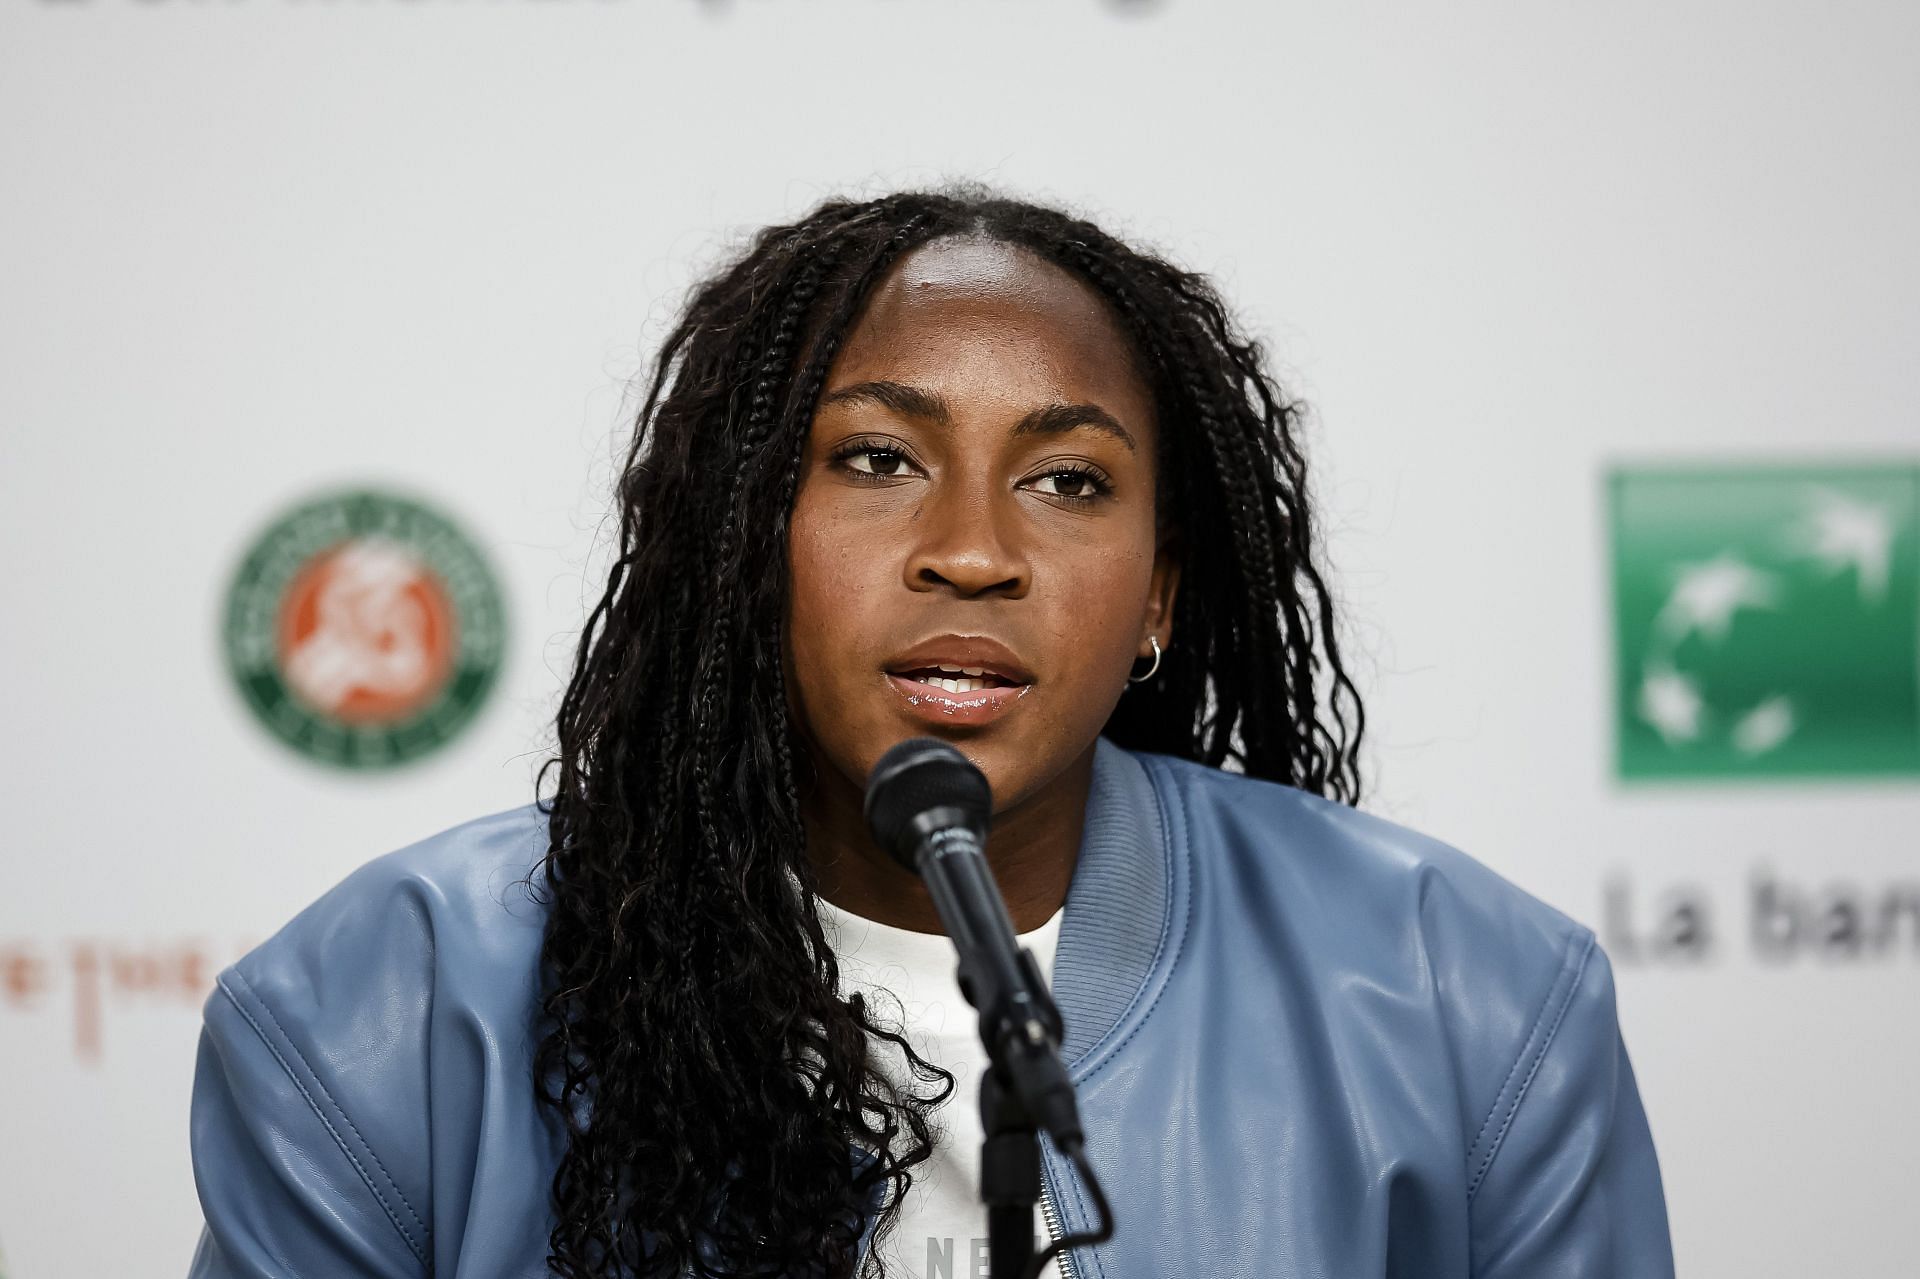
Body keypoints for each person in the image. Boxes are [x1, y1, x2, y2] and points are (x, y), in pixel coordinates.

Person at [186, 187, 1675, 1279]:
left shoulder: (1469, 999)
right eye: (879, 459)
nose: (973, 551)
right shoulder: (381, 1009)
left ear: (1159, 592)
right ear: (742, 544)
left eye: (1070, 482)